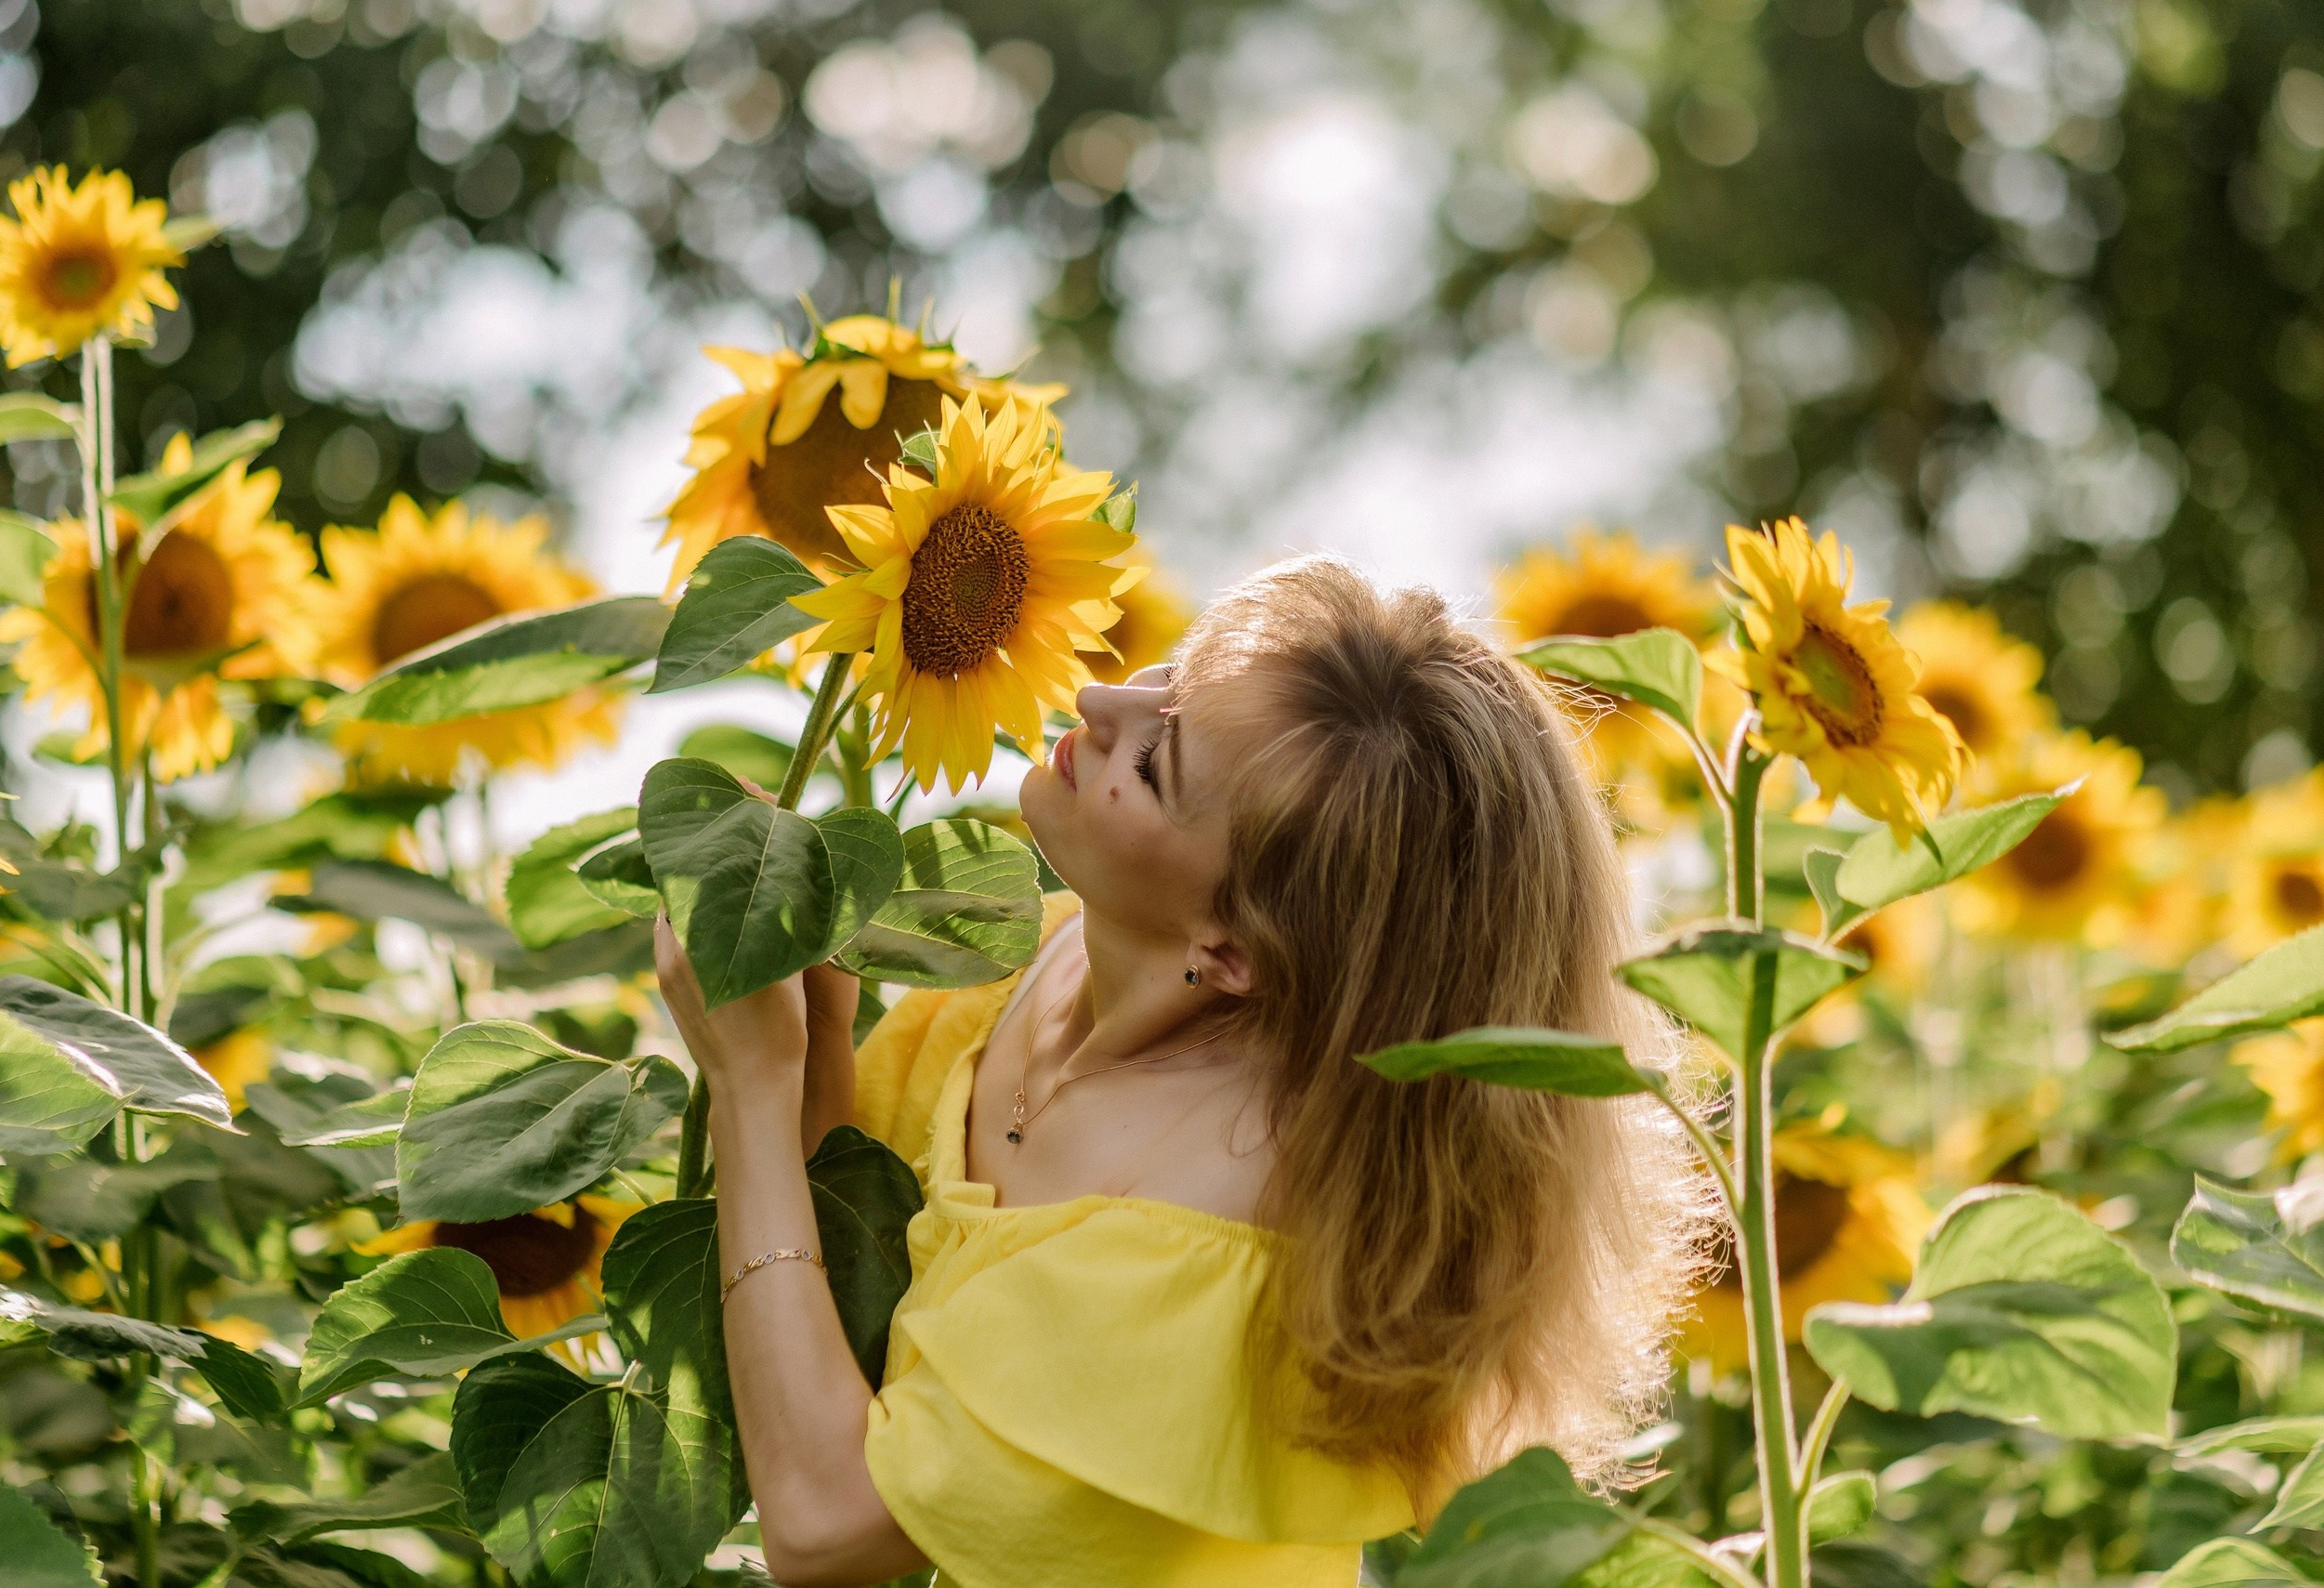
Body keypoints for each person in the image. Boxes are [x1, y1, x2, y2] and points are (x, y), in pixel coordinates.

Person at [655, 556, 1710, 1588]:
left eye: (1156, 765)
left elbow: (828, 1522)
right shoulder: (1034, 956)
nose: (1097, 693)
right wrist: (818, 1041)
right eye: (1172, 674)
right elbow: (848, 1302)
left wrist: (751, 1087)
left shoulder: (1211, 1236)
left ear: (1238, 946)